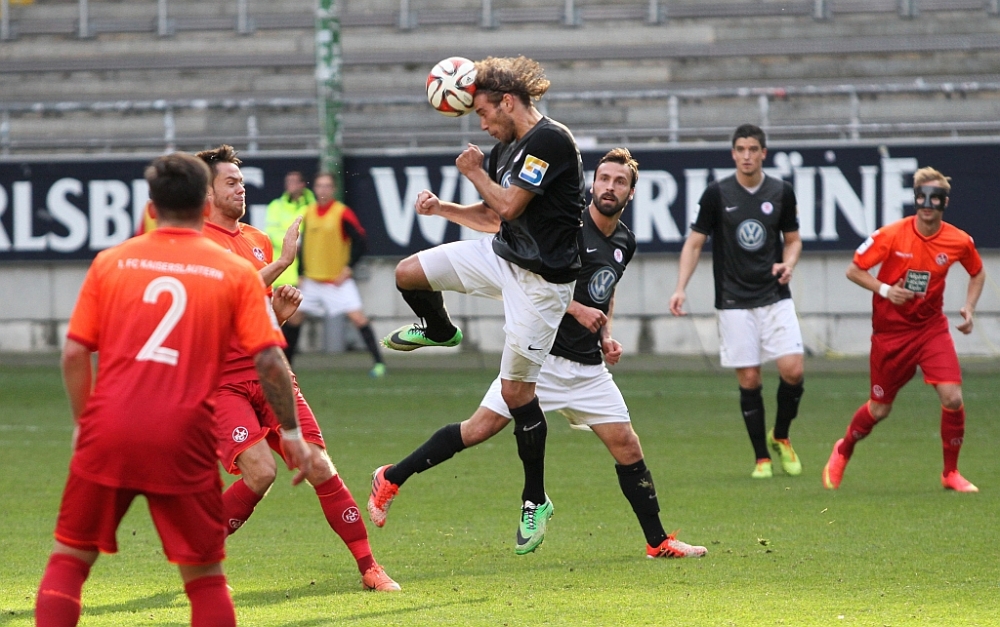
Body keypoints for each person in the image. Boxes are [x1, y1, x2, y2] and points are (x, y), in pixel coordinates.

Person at [369, 148, 706, 558]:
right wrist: (443, 209)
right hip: (539, 360)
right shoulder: (565, 225)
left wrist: (606, 335)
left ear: (631, 192)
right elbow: (521, 265)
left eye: (620, 182)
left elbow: (605, 291)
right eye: (604, 178)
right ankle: (391, 477)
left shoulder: (625, 241)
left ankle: (658, 542)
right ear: (592, 184)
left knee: (628, 446)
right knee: (477, 430)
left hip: (588, 370)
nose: (610, 187)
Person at [35, 152, 310, 627]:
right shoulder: (232, 272)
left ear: (151, 205)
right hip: (184, 434)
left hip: (110, 430)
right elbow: (268, 359)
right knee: (204, 580)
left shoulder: (111, 262)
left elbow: (75, 353)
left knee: (70, 561)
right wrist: (291, 433)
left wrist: (83, 425)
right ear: (203, 203)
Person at [377, 55, 585, 554]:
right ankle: (439, 329)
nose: (483, 125)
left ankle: (535, 499)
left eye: (484, 114)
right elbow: (496, 218)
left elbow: (509, 204)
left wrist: (471, 172)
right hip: (502, 256)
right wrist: (443, 209)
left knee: (516, 395)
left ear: (508, 102)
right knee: (408, 273)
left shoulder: (550, 141)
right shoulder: (503, 150)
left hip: (541, 286)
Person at [196, 145, 400, 591]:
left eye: (241, 181)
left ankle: (369, 567)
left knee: (319, 466)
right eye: (230, 182)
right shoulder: (196, 244)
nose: (241, 189)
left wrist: (279, 315)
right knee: (261, 472)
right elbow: (225, 299)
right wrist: (283, 264)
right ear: (206, 192)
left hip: (269, 374)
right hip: (222, 382)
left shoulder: (257, 239)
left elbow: (252, 314)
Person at [822, 167, 985, 492]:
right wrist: (886, 290)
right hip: (891, 334)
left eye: (935, 198)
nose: (927, 204)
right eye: (921, 197)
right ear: (915, 199)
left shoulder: (958, 240)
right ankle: (844, 448)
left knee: (952, 397)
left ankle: (950, 473)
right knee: (880, 408)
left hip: (930, 329)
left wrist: (969, 307)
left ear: (945, 202)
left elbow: (977, 272)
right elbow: (854, 270)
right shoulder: (892, 235)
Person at [669, 123, 805, 480]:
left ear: (763, 153)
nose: (747, 155)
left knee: (793, 370)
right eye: (741, 149)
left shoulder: (781, 191)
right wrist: (680, 287)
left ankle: (781, 435)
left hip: (774, 295)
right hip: (733, 300)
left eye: (753, 149)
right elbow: (694, 243)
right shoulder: (717, 193)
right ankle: (762, 458)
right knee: (749, 378)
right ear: (733, 154)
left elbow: (793, 240)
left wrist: (788, 264)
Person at [289, 172, 386, 377]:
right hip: (312, 280)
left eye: (327, 186)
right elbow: (304, 245)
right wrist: (301, 273)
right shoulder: (308, 212)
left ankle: (379, 363)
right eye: (319, 185)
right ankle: (286, 366)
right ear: (314, 189)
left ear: (333, 189)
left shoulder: (342, 213)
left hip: (336, 281)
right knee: (294, 317)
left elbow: (361, 242)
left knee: (358, 318)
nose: (322, 190)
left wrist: (348, 268)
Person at [265, 171, 316, 364]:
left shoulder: (311, 206)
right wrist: (292, 241)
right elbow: (271, 231)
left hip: (301, 272)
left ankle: (286, 361)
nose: (290, 184)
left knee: (294, 316)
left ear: (303, 184)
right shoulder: (276, 205)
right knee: (276, 315)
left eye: (294, 181)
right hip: (278, 271)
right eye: (288, 181)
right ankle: (279, 360)